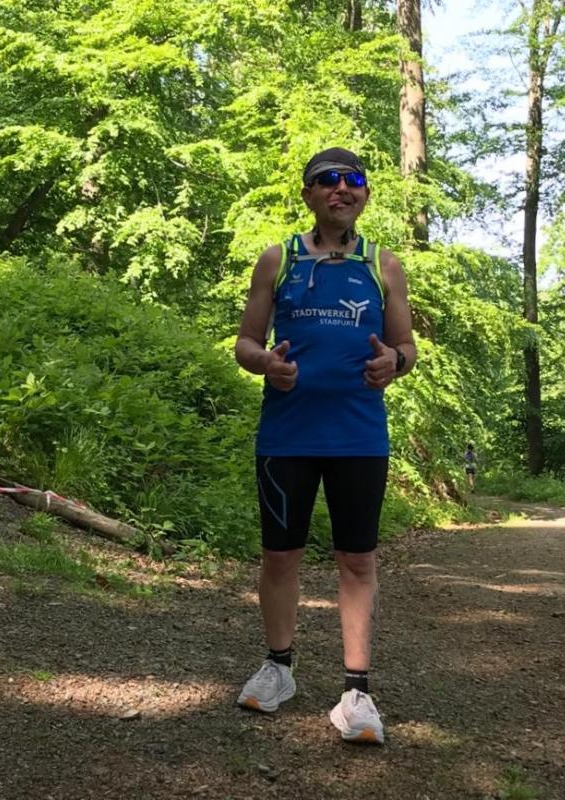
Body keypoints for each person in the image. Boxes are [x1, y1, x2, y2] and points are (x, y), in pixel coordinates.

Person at [234, 147, 416, 745]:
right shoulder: (278, 259)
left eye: (353, 179)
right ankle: (278, 668)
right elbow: (245, 343)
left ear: (365, 193)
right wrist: (265, 363)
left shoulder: (383, 264)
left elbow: (406, 348)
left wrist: (394, 363)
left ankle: (356, 693)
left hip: (359, 437)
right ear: (309, 194)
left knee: (357, 560)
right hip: (286, 435)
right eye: (327, 180)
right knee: (279, 556)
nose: (342, 187)